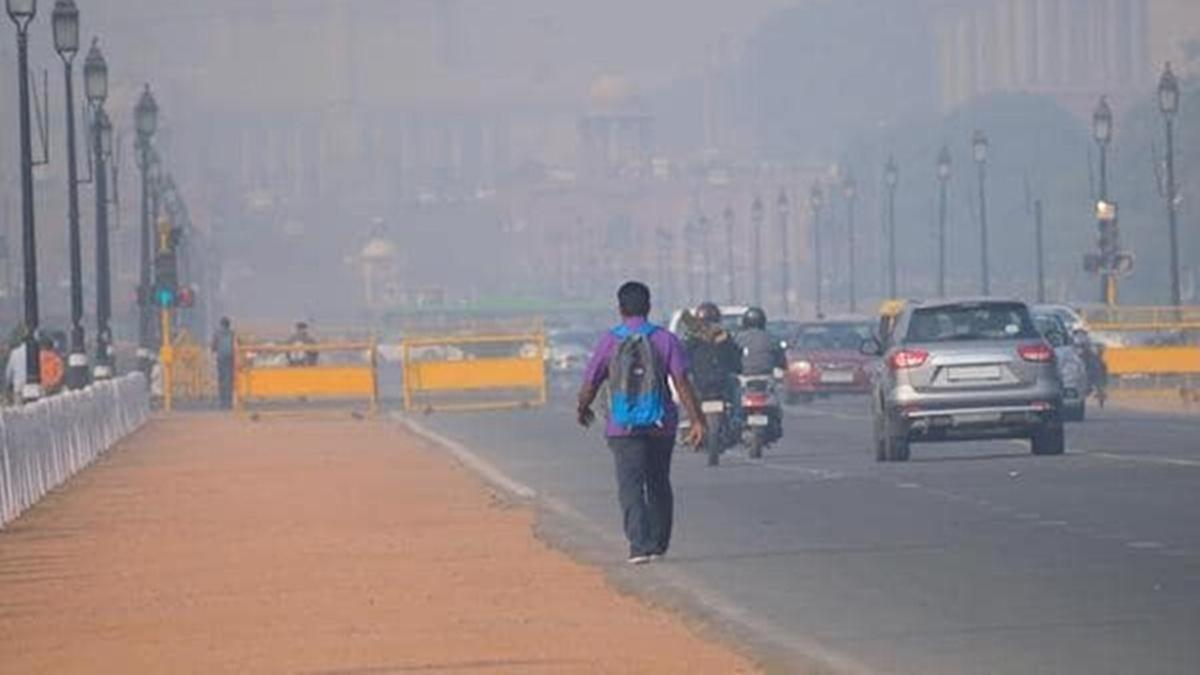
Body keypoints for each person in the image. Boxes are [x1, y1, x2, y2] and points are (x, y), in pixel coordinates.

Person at [577, 281, 706, 565]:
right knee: (658, 481)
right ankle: (659, 543)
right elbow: (682, 382)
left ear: (620, 308)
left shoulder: (610, 341)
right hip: (661, 425)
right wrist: (697, 420)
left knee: (631, 485)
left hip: (623, 428)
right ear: (648, 306)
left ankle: (639, 545)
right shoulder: (665, 340)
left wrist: (582, 408)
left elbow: (591, 381)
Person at [682, 302, 742, 466]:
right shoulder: (723, 337)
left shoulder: (692, 338)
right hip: (716, 382)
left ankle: (689, 421)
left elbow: (683, 359)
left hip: (706, 383)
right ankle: (737, 419)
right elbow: (736, 359)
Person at [736, 307, 786, 376]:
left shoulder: (739, 338)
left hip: (746, 375)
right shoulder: (771, 338)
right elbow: (781, 360)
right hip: (765, 374)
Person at [211, 317, 236, 409]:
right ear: (229, 325)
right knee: (229, 380)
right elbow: (236, 346)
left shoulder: (217, 334)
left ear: (221, 324)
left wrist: (215, 350)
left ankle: (222, 401)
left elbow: (213, 347)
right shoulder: (232, 334)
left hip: (221, 359)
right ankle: (229, 402)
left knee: (221, 380)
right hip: (231, 359)